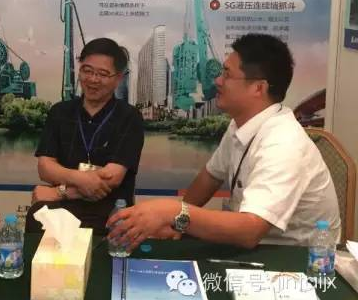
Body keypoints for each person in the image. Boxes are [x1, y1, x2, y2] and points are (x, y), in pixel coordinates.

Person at [108, 33, 340, 249]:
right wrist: (176, 225)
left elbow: (250, 231)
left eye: (227, 74)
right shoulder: (240, 122)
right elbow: (210, 177)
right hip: (252, 248)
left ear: (258, 88)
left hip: (293, 259)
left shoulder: (283, 144)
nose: (217, 81)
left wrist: (175, 212)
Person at [29, 38, 144, 232]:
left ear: (118, 78)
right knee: (36, 221)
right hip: (58, 213)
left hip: (110, 214)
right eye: (87, 70)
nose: (93, 79)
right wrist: (81, 179)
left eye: (102, 74)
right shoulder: (60, 112)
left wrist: (60, 192)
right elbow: (45, 167)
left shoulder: (129, 117)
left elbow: (111, 178)